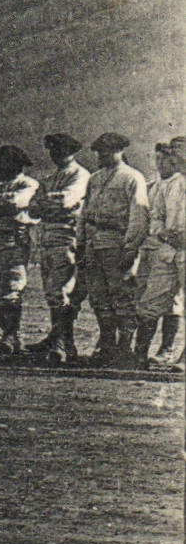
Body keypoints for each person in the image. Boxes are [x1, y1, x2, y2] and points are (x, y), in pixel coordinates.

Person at [77, 132, 150, 368]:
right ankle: (107, 345)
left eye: (107, 151)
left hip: (116, 243)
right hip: (93, 244)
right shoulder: (95, 178)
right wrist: (80, 243)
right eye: (100, 151)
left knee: (122, 296)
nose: (102, 155)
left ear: (120, 151)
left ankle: (125, 347)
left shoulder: (132, 177)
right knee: (99, 297)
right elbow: (84, 213)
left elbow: (139, 216)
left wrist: (130, 248)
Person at [25, 133, 90, 364]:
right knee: (52, 292)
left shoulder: (80, 175)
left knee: (62, 291)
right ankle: (58, 338)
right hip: (48, 237)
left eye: (61, 151)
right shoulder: (50, 178)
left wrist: (46, 203)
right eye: (53, 151)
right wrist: (46, 203)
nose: (56, 155)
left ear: (72, 152)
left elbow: (65, 202)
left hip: (67, 236)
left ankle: (63, 343)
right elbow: (32, 209)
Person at [0, 145, 40, 355]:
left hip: (14, 240)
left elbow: (14, 204)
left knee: (12, 288)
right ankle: (2, 330)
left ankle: (13, 334)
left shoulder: (28, 184)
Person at [135, 138, 186, 368]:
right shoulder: (171, 184)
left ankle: (180, 356)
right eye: (173, 153)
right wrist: (164, 234)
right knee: (151, 300)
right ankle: (139, 353)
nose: (174, 158)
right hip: (169, 249)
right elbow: (157, 215)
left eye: (179, 153)